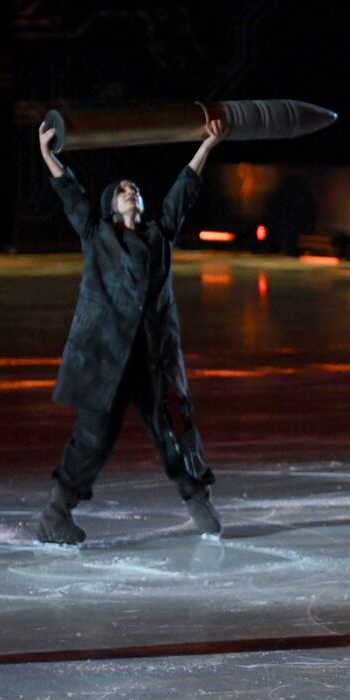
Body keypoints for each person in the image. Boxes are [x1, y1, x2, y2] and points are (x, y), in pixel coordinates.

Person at [36, 118, 227, 545]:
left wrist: (208, 146)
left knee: (174, 430)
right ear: (109, 206)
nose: (131, 191)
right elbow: (70, 194)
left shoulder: (159, 237)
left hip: (151, 357)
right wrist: (49, 154)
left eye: (135, 189)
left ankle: (197, 497)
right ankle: (55, 514)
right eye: (122, 189)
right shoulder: (96, 234)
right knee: (93, 439)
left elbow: (183, 192)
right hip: (106, 358)